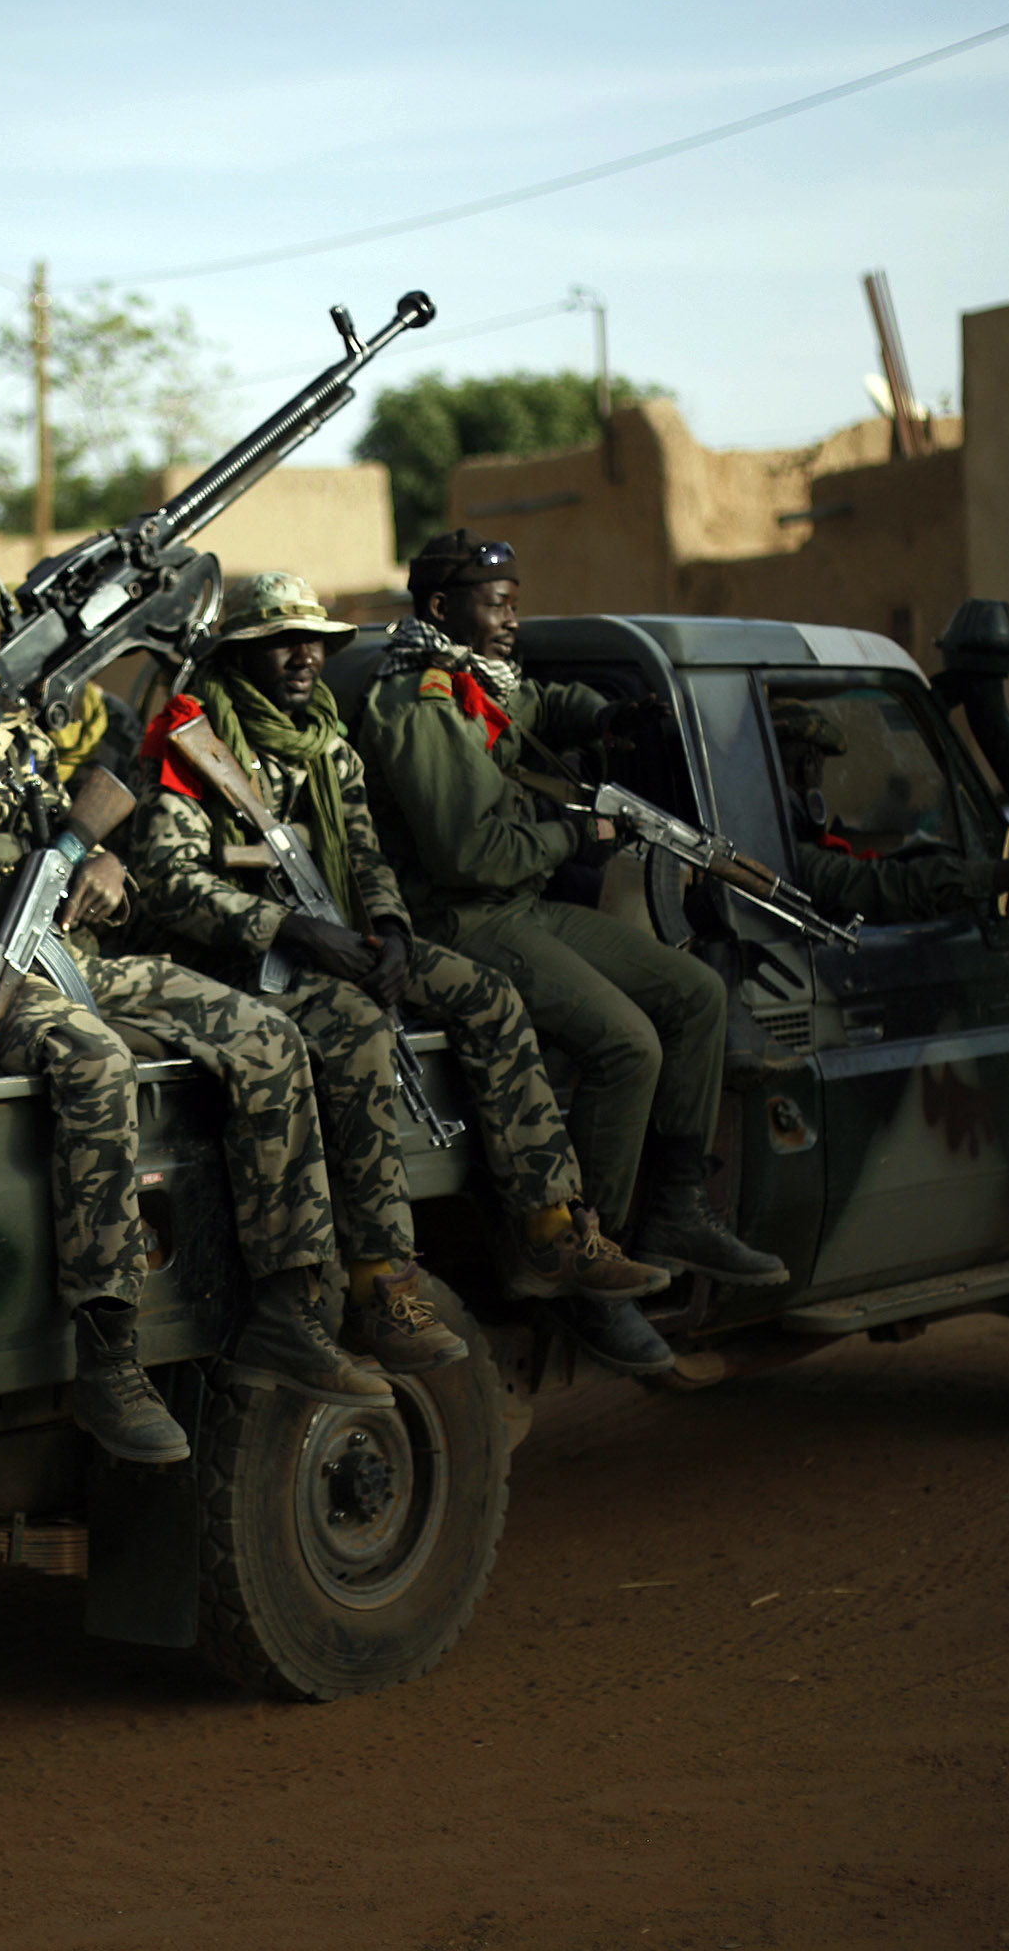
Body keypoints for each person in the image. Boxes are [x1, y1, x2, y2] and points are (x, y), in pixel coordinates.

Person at [0, 551, 391, 1464]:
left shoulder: (23, 734)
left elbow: (86, 852)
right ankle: (108, 1355)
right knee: (95, 1063)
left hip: (75, 960)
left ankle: (288, 1305)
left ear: (0, 631)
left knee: (267, 1035)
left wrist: (109, 872)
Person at [122, 573, 677, 1377]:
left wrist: (389, 930)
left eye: (314, 642)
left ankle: (550, 1227)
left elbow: (365, 852)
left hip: (332, 931)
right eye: (283, 643)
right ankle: (381, 1282)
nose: (305, 658)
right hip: (234, 956)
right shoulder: (192, 743)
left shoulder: (326, 741)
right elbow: (168, 882)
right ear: (241, 655)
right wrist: (293, 929)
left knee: (488, 996)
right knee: (356, 1029)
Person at [353, 530, 786, 1303]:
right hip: (457, 919)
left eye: (515, 604)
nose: (512, 620)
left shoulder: (473, 678)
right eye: (497, 605)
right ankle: (590, 1246)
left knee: (696, 995)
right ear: (441, 607)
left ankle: (676, 1211)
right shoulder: (419, 704)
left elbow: (538, 703)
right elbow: (469, 857)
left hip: (517, 904)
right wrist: (577, 835)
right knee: (628, 1044)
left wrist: (601, 717)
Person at [770, 700, 1009, 922]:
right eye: (819, 767)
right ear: (807, 767)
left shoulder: (772, 841)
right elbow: (902, 887)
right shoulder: (794, 859)